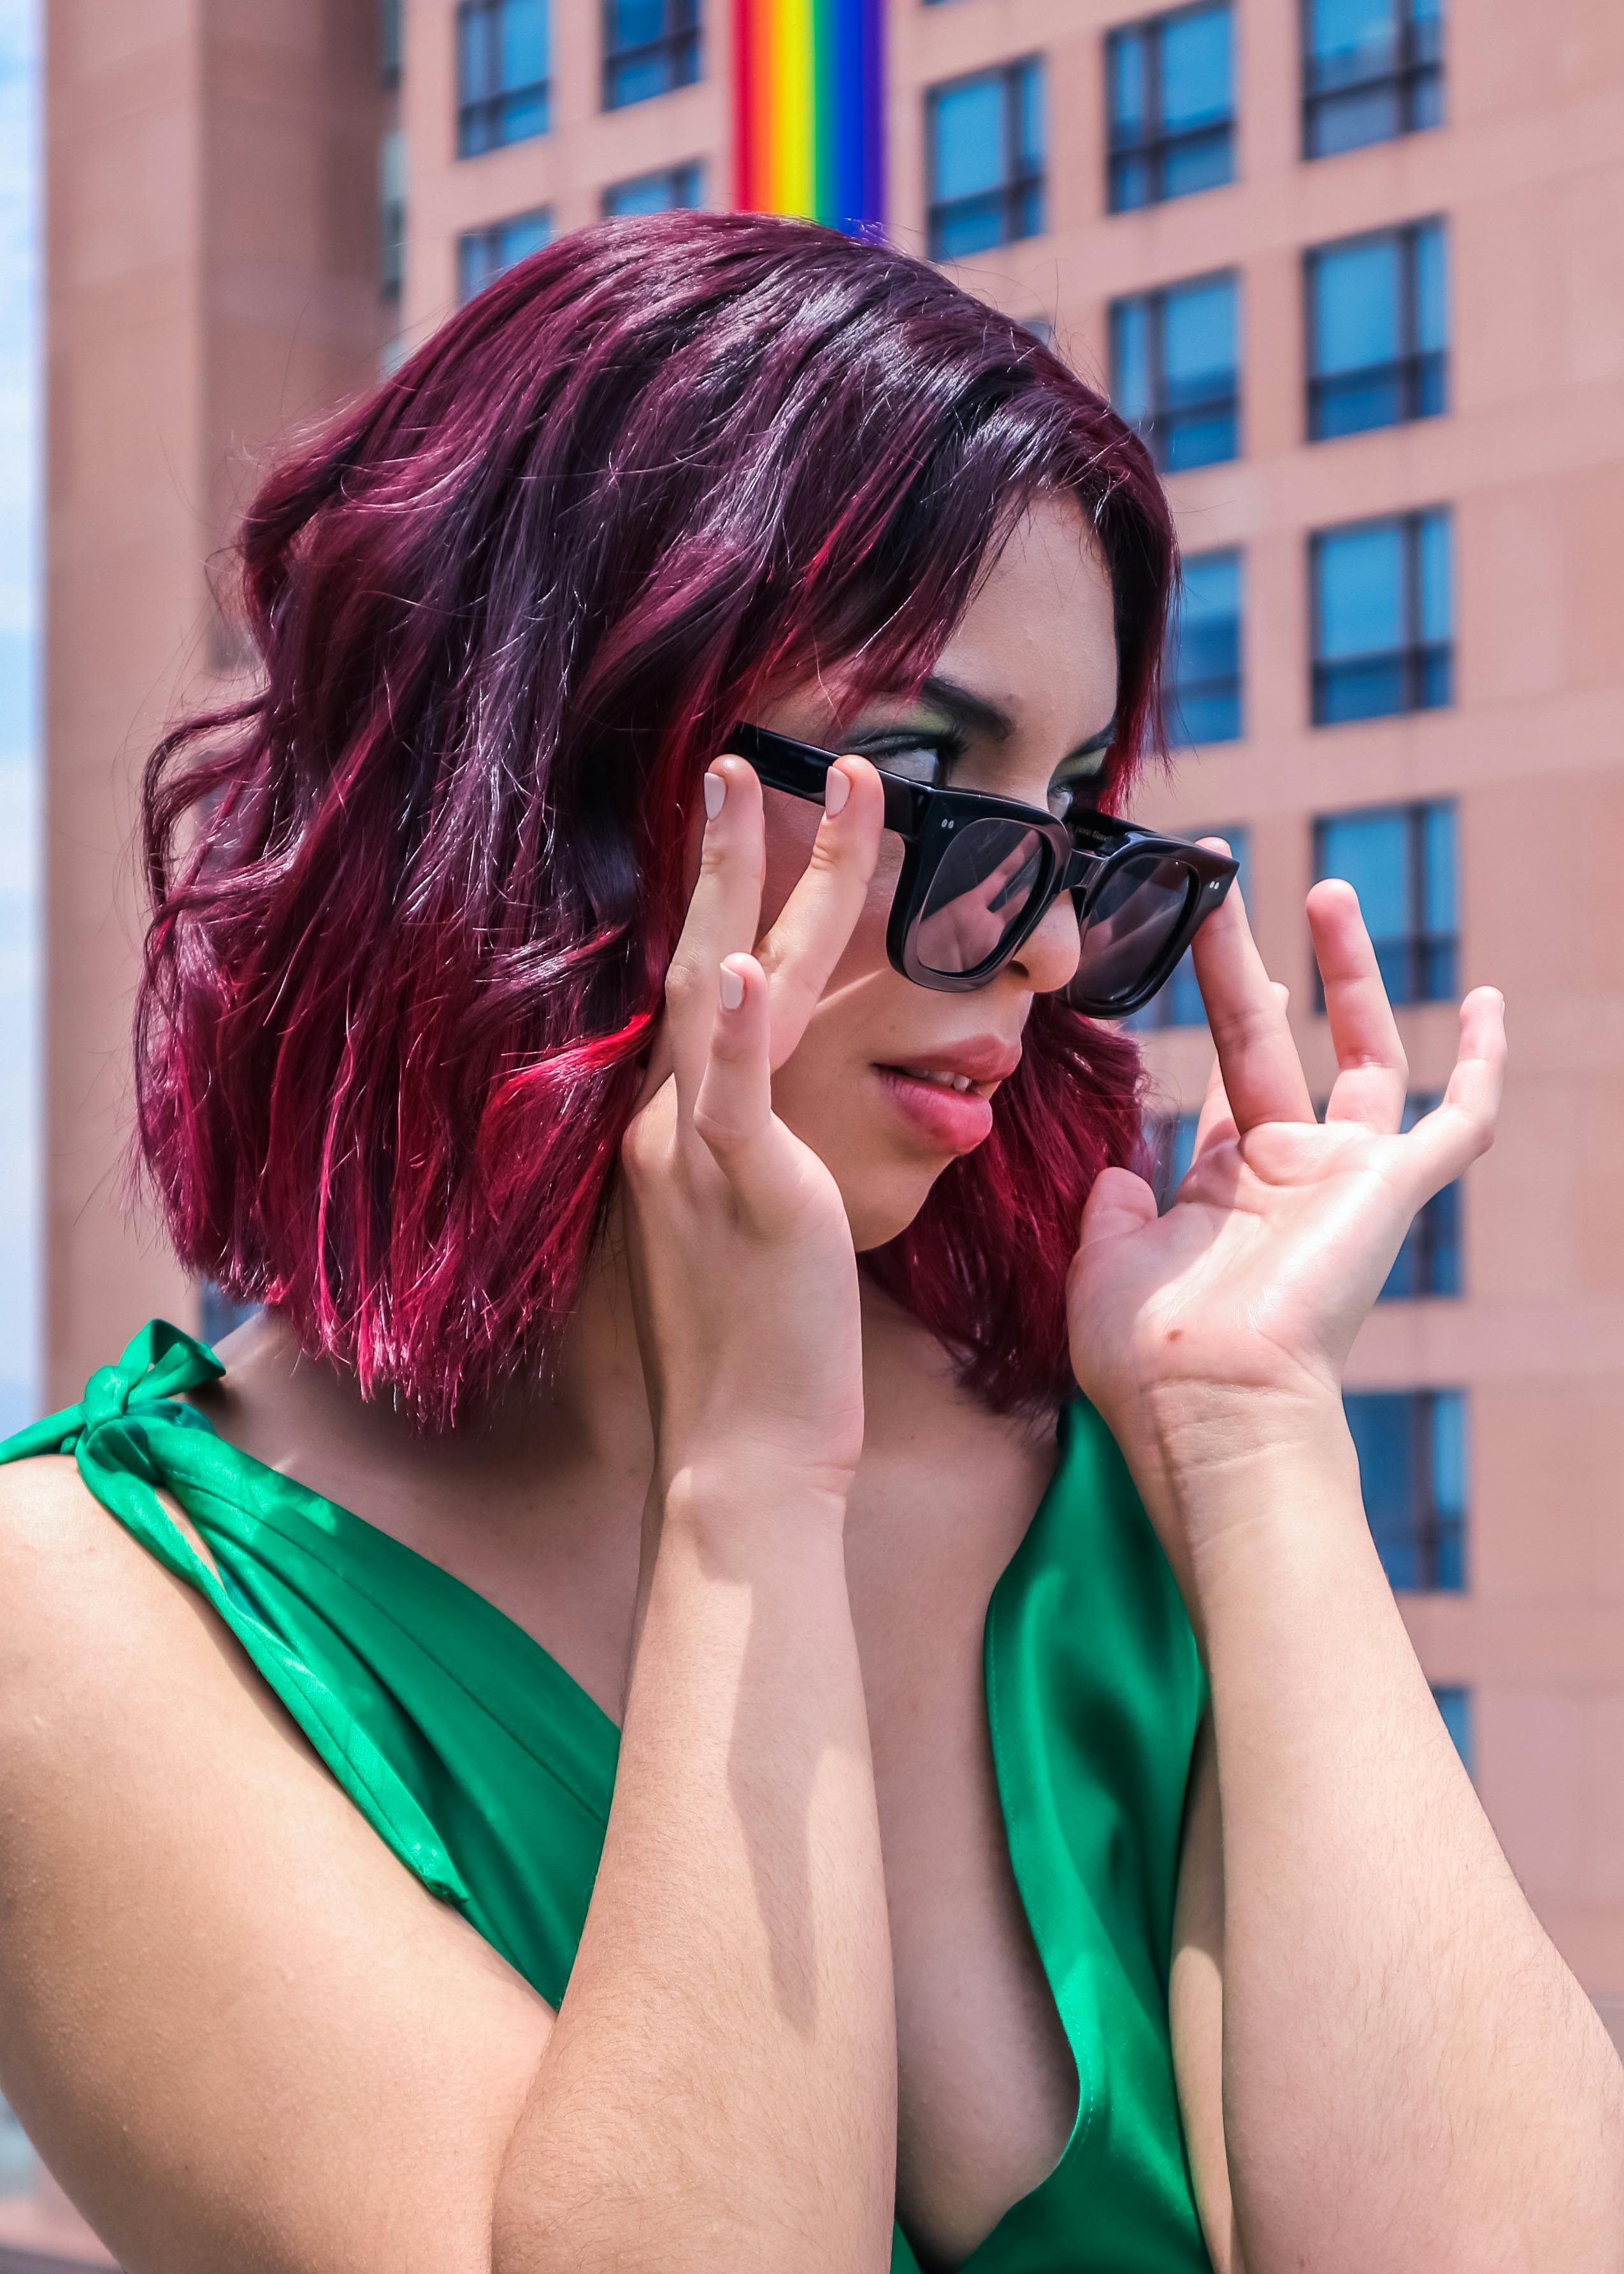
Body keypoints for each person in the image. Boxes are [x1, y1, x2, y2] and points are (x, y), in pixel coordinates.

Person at [0, 213, 1616, 2274]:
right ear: (552, 770)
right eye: (927, 777)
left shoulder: (1116, 1462)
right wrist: (751, 1487)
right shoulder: (77, 1624)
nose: (1039, 940)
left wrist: (1254, 1434)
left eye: (1076, 822)